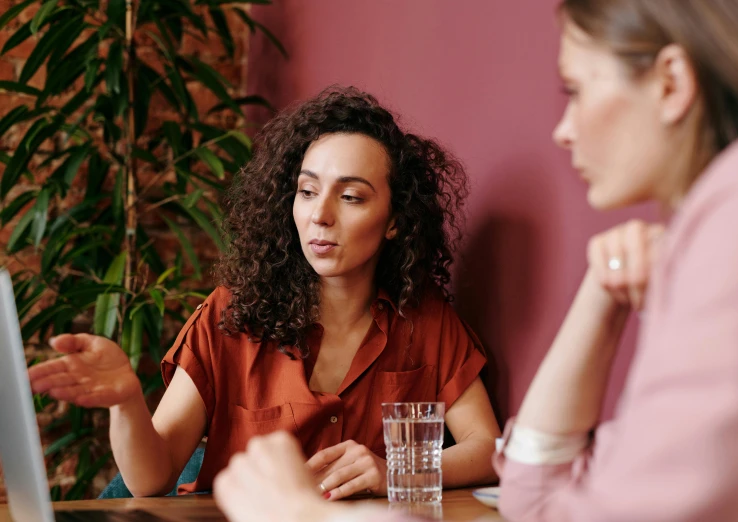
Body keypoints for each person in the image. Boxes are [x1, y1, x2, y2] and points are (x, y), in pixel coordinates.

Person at [209, 0, 738, 520]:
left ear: (671, 82)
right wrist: (599, 291)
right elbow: (533, 495)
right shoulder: (732, 212)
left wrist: (306, 517)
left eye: (576, 90)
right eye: (308, 191)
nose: (563, 129)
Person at [28, 87, 501, 499]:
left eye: (351, 196)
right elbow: (151, 479)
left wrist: (393, 471)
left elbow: (488, 450)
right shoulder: (232, 315)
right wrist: (127, 401)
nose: (321, 215)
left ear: (396, 220)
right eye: (307, 191)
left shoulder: (425, 321)